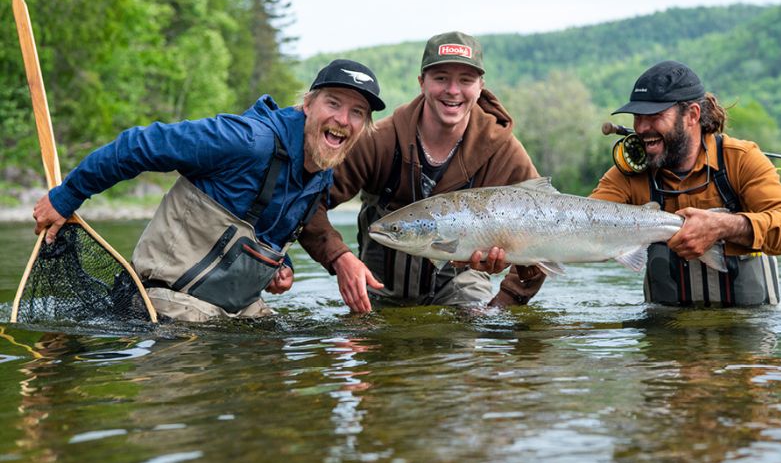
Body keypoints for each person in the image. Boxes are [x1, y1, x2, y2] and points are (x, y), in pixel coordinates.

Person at [32, 59, 385, 321]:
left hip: (235, 309)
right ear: (307, 105)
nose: (343, 119)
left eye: (357, 112)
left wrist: (278, 263)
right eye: (333, 103)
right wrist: (67, 196)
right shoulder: (245, 141)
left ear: (364, 126)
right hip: (165, 303)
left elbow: (263, 223)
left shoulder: (322, 171)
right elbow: (138, 145)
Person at [299, 31, 546, 312]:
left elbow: (548, 231)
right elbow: (306, 201)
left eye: (465, 80)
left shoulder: (502, 151)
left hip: (464, 288)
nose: (453, 90)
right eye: (441, 78)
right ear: (422, 83)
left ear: (480, 87)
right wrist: (338, 257)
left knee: (471, 341)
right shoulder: (380, 141)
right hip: (378, 291)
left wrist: (503, 303)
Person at [591, 60, 781, 306]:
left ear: (692, 115)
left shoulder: (740, 159)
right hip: (667, 335)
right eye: (637, 117)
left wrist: (726, 226)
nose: (641, 128)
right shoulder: (627, 175)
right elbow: (581, 225)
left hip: (746, 330)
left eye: (654, 116)